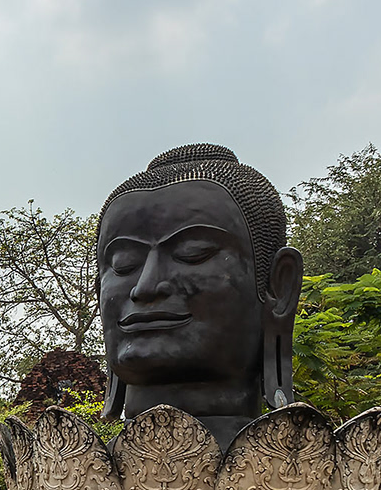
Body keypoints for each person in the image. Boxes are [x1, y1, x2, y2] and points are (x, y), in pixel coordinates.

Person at [96, 144, 303, 448]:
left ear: (280, 287)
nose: (146, 286)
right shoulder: (68, 475)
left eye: (193, 253)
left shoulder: (310, 475)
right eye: (123, 263)